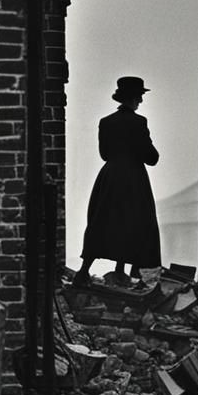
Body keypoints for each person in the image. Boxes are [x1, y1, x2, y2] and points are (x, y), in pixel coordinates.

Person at [73, 76, 161, 287]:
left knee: (102, 221)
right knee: (134, 222)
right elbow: (152, 157)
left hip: (110, 177)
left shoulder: (106, 122)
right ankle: (121, 271)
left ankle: (84, 271)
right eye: (139, 96)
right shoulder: (139, 122)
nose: (141, 100)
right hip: (133, 179)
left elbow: (104, 154)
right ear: (134, 97)